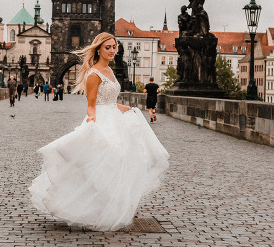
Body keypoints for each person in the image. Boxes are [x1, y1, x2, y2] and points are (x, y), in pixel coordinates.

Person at [30, 32, 170, 231]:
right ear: (98, 49)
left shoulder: (111, 72)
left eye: (114, 47)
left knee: (122, 161)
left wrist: (129, 109)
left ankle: (112, 205)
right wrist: (92, 120)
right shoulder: (94, 74)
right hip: (102, 120)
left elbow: (112, 102)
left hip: (114, 117)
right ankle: (98, 206)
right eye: (108, 47)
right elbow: (92, 104)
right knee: (105, 161)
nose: (112, 50)